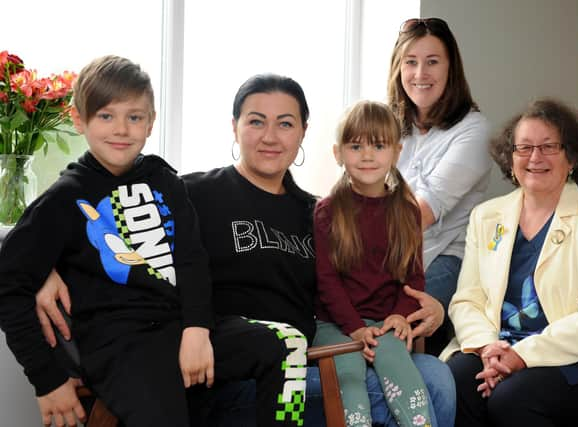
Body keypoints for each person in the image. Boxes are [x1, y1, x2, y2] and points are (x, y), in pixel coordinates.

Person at [35, 73, 456, 427]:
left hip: (315, 357)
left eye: (285, 124)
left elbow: (367, 283)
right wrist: (44, 268)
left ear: (304, 132)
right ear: (234, 126)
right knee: (427, 386)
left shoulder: (319, 213)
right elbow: (95, 217)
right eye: (256, 121)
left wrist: (427, 307)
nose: (270, 137)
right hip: (224, 377)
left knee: (437, 373)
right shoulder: (192, 194)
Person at [0, 55, 215, 427]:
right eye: (105, 116)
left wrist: (198, 327)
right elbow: (8, 281)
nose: (121, 129)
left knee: (274, 348)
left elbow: (192, 260)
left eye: (134, 117)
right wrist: (46, 379)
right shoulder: (65, 196)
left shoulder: (166, 181)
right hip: (120, 346)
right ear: (78, 119)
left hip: (178, 328)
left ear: (150, 123)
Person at [443, 98, 578, 427]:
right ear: (511, 157)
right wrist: (487, 348)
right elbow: (468, 298)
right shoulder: (487, 216)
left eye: (549, 147)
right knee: (458, 381)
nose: (535, 158)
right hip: (497, 343)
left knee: (513, 398)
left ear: (571, 156)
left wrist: (522, 355)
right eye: (524, 148)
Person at [313, 100, 434, 427]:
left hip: (385, 321)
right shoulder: (327, 211)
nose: (367, 155)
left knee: (404, 377)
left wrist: (399, 315)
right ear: (338, 154)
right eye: (356, 146)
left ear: (396, 152)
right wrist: (355, 328)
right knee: (350, 378)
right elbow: (326, 281)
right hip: (334, 325)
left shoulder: (408, 211)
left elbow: (414, 278)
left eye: (378, 146)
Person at [387, 17, 493, 355]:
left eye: (432, 62)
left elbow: (421, 214)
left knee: (394, 330)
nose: (420, 74)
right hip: (386, 254)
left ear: (451, 68)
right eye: (411, 62)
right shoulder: (389, 124)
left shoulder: (474, 130)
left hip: (442, 256)